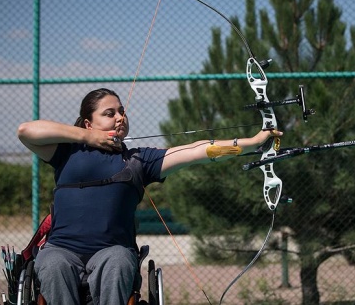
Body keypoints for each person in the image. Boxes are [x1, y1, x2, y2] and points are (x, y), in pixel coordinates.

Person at [17, 88, 281, 304]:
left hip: (111, 251)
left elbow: (198, 150)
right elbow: (26, 131)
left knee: (119, 261)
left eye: (121, 111)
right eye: (109, 113)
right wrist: (86, 137)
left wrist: (253, 141)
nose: (120, 117)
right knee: (51, 264)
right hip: (62, 249)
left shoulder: (139, 160)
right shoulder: (66, 153)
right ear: (89, 122)